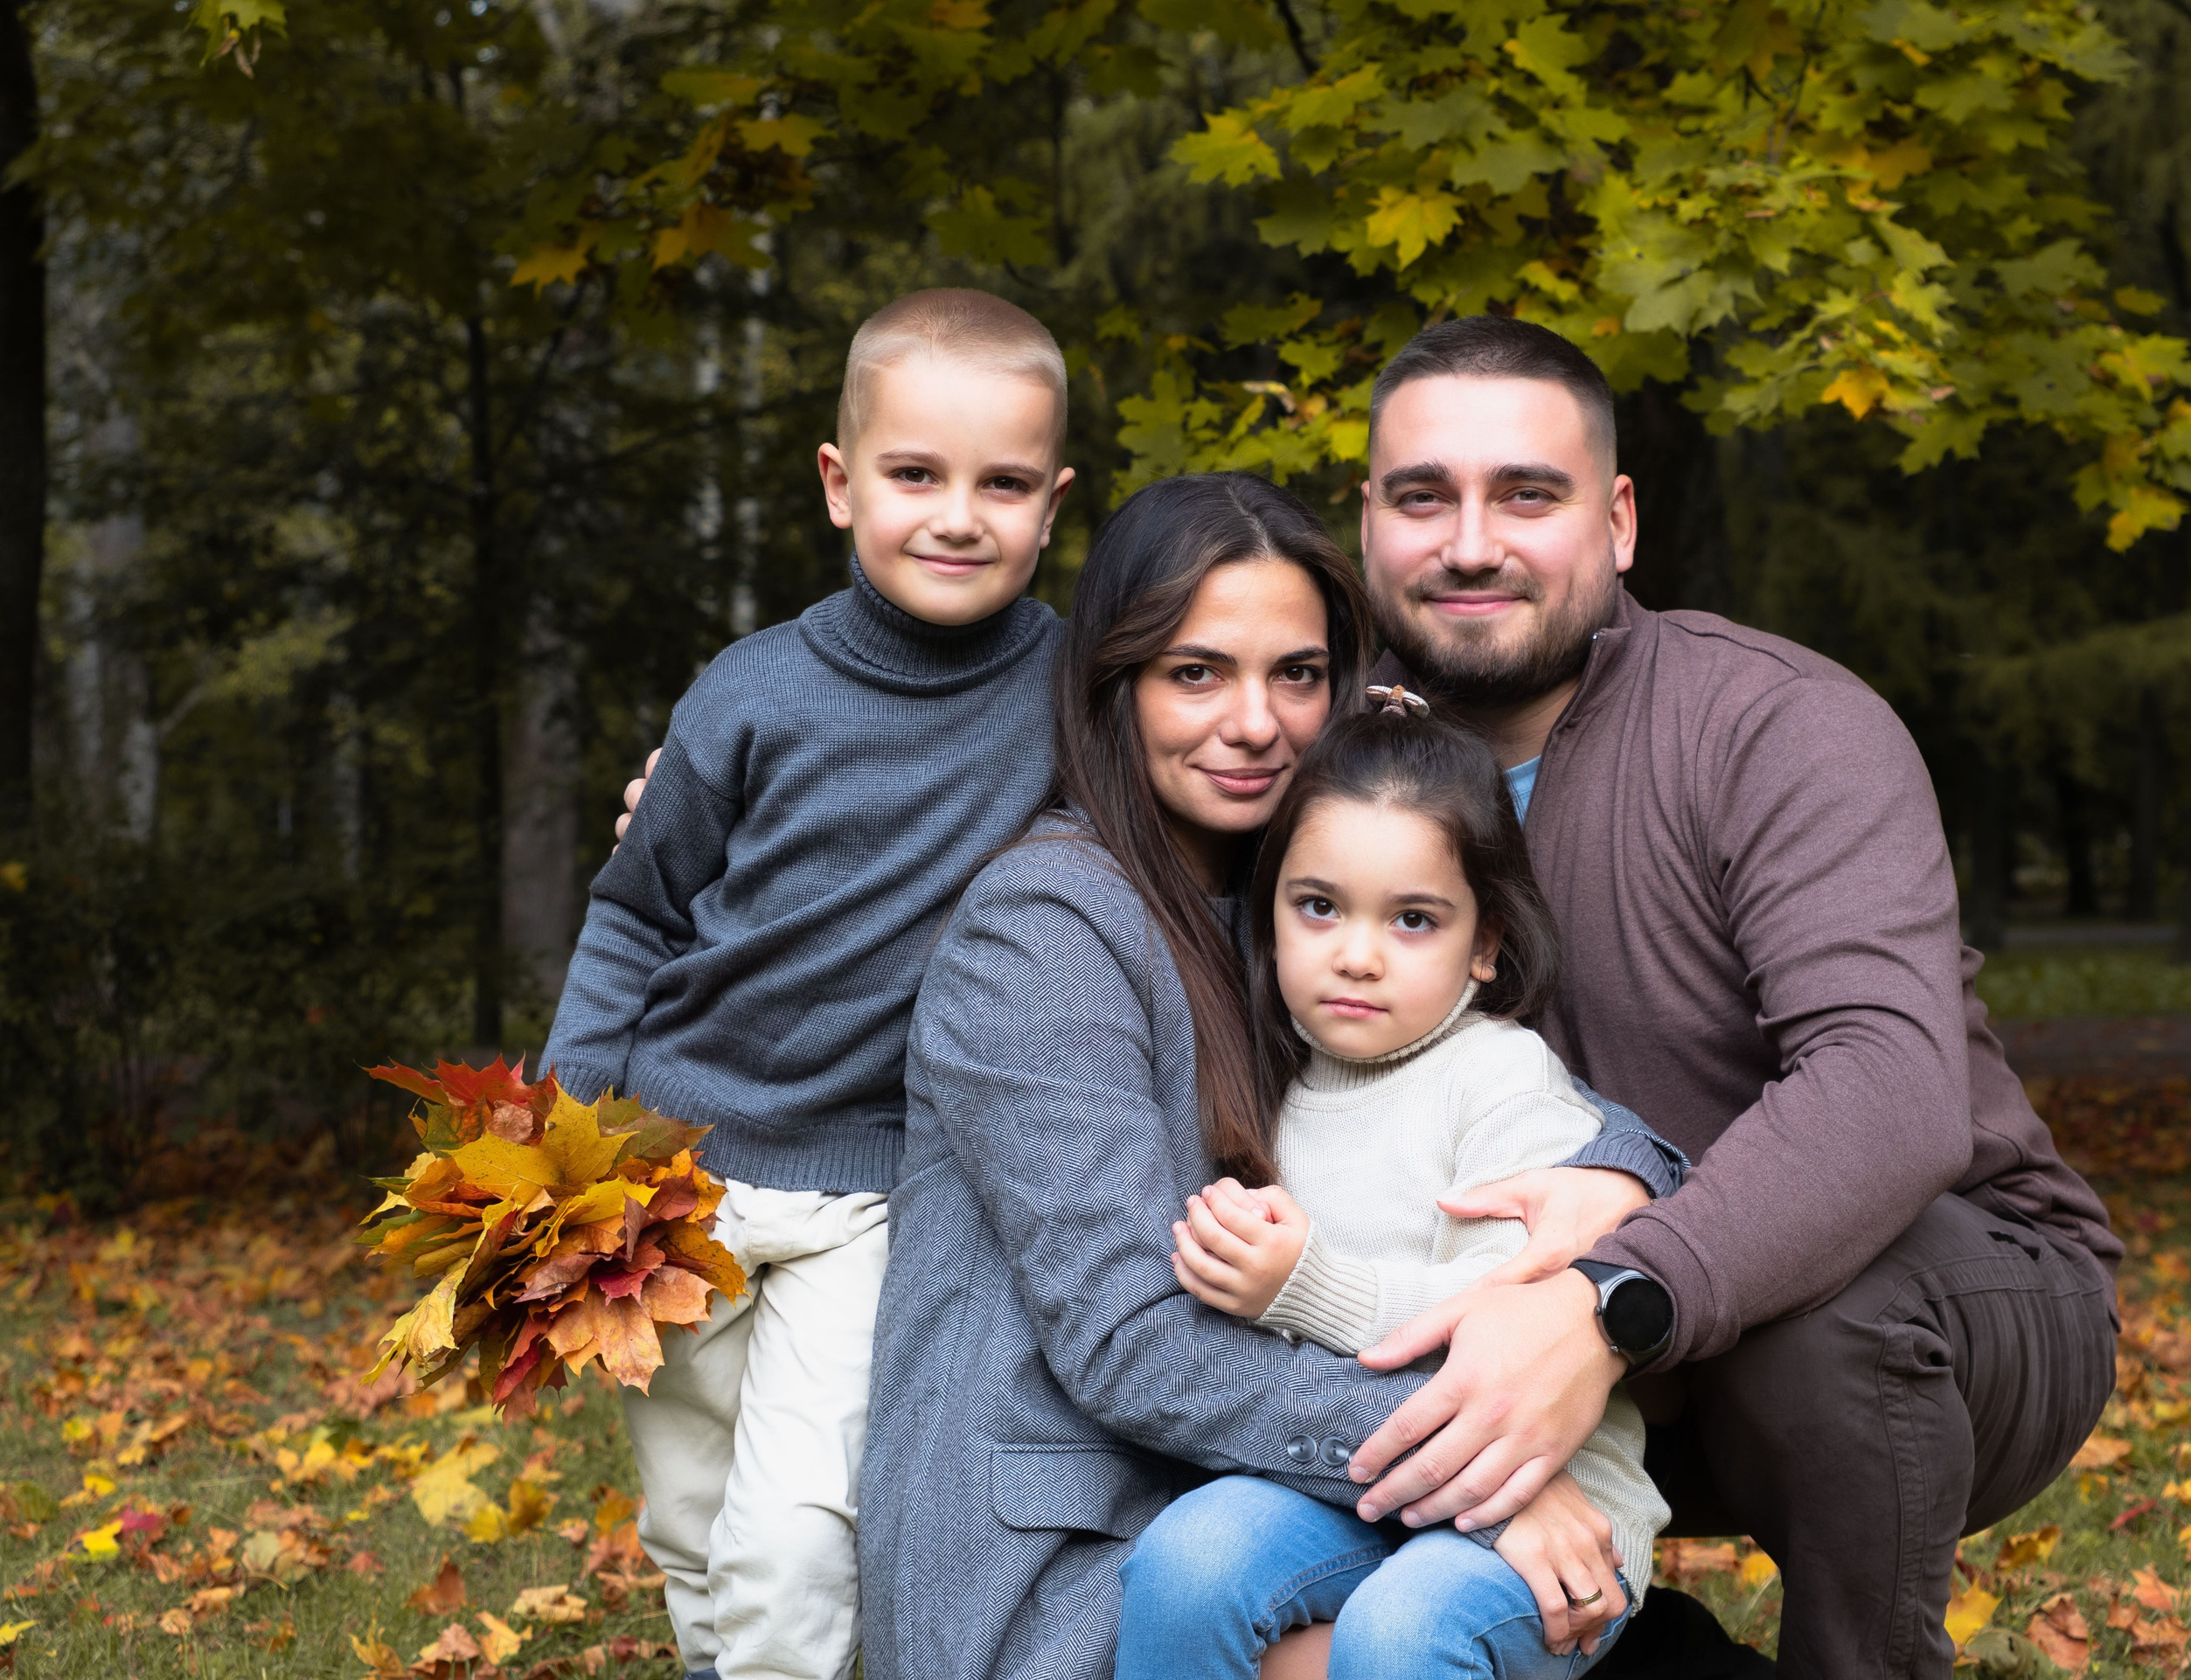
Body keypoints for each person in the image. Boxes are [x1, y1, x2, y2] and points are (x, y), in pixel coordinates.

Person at [1324, 316, 2119, 1678]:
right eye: (1422, 497)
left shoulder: (1775, 725)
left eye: (1528, 492)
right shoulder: (1319, 766)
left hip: (1946, 1292)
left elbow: (1889, 1086)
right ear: (1369, 523)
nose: (1469, 541)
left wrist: (1609, 1295)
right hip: (1529, 1325)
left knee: (1824, 1330)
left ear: (1618, 520)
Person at [855, 472, 1687, 1680]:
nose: (1254, 721)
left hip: (1257, 1507)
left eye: (1297, 674)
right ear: (1114, 686)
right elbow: (1135, 1339)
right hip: (1061, 1563)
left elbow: (1500, 1080)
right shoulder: (1044, 928)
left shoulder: (1291, 902)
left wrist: (1618, 1176)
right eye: (1196, 672)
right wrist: (1490, 1469)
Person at [539, 288, 1075, 1680]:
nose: (958, 514)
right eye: (916, 473)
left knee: (797, 1537)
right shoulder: (750, 691)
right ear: (841, 485)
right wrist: (564, 1136)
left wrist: (1367, 727)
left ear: (1053, 502)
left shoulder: (1075, 692)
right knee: (692, 1520)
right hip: (675, 1174)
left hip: (874, 1192)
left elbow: (1225, 761)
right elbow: (635, 912)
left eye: (1003, 482)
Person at [1114, 697, 1667, 1680]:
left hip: (1543, 1510)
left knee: (1402, 1635)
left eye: (1413, 919)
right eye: (1317, 905)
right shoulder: (1265, 1085)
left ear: (1486, 942)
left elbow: (1513, 1328)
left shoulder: (1502, 1083)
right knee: (1186, 1558)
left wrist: (1304, 1282)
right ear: (1269, 907)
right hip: (1347, 1485)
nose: (1356, 954)